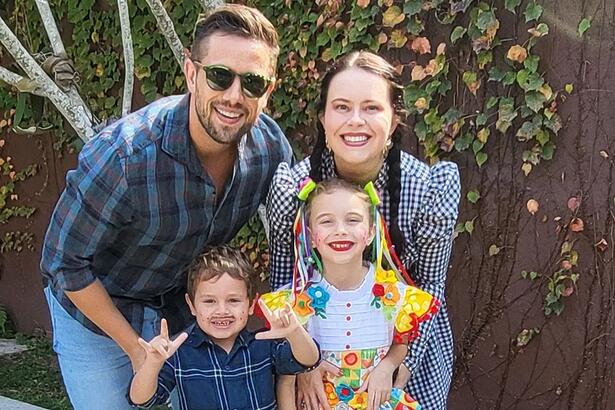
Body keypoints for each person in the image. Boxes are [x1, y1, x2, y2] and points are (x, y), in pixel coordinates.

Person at [40, 4, 292, 409]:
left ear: (269, 89)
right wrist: (135, 349)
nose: (233, 95)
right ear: (192, 74)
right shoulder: (124, 156)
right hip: (97, 311)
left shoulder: (270, 150)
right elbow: (63, 263)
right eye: (219, 76)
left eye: (253, 82)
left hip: (179, 309)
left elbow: (297, 239)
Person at [267, 51, 460, 409]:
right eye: (341, 107)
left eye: (371, 107)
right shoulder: (293, 188)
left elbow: (431, 287)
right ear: (323, 118)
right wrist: (300, 365)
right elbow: (284, 281)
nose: (355, 121)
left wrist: (398, 368)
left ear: (394, 118)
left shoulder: (428, 189)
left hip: (403, 356)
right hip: (318, 365)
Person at [261, 179, 440, 410]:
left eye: (353, 220)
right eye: (326, 221)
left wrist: (387, 367)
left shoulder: (391, 292)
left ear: (371, 233)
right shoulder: (296, 299)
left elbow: (400, 342)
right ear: (311, 236)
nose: (341, 230)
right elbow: (287, 378)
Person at [128, 245, 320, 409]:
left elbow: (308, 360)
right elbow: (141, 400)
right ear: (192, 305)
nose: (222, 310)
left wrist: (294, 332)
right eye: (210, 301)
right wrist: (152, 364)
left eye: (233, 300)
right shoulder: (179, 351)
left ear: (251, 304)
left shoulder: (262, 341)